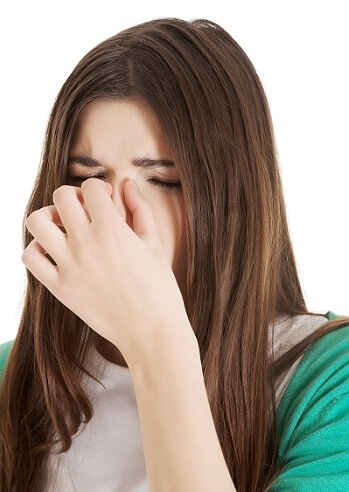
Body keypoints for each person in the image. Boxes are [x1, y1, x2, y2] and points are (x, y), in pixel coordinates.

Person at [0, 17, 348, 492]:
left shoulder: (330, 383)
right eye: (86, 177)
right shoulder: (12, 375)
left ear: (233, 199)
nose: (113, 216)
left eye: (164, 180)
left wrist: (155, 340)